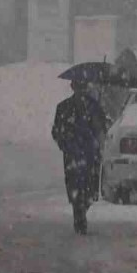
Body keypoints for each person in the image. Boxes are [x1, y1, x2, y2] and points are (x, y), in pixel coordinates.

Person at [51, 79, 111, 235]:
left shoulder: (95, 106)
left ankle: (81, 210)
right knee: (77, 187)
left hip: (89, 154)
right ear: (73, 87)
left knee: (87, 190)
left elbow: (102, 130)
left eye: (83, 87)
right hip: (74, 154)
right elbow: (56, 131)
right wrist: (65, 144)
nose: (81, 91)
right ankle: (79, 215)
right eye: (79, 87)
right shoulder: (64, 107)